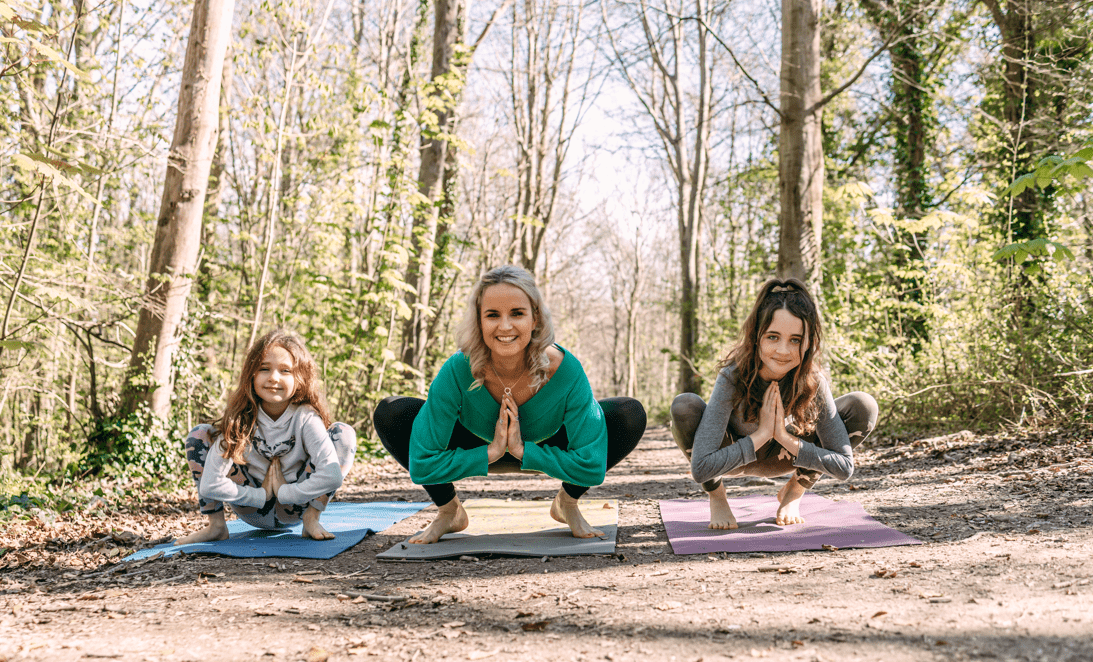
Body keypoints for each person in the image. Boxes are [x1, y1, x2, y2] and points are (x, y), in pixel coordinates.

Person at [374, 265, 646, 544]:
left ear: (535, 318)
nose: (505, 326)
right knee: (393, 411)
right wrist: (489, 453)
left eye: (517, 313)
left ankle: (567, 503)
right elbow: (422, 463)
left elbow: (591, 465)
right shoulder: (458, 369)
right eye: (492, 315)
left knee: (628, 413)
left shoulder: (565, 370)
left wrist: (523, 450)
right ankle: (449, 511)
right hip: (476, 444)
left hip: (545, 445)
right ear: (479, 321)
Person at [671, 278, 878, 529]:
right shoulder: (732, 377)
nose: (783, 350)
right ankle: (717, 497)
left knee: (863, 405)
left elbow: (844, 467)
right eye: (773, 337)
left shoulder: (813, 382)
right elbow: (701, 468)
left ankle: (794, 491)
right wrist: (761, 435)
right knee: (684, 405)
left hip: (788, 457)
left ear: (809, 342)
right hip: (735, 458)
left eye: (795, 340)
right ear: (756, 337)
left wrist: (782, 435)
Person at [177, 329, 356, 544]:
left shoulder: (305, 418)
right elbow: (209, 486)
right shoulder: (240, 418)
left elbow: (332, 475)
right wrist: (261, 495)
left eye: (285, 370)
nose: (273, 377)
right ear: (251, 374)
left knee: (343, 433)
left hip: (296, 507)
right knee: (199, 434)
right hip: (251, 508)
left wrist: (285, 492)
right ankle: (216, 527)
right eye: (264, 369)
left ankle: (312, 518)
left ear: (300, 378)